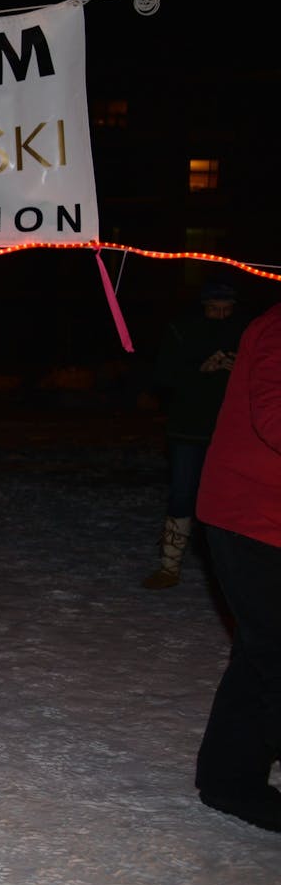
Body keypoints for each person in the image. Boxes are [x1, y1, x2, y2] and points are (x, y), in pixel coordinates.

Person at [191, 297, 281, 833]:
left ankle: (229, 780)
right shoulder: (277, 329)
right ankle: (230, 781)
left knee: (261, 653)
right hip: (250, 519)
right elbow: (274, 416)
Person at [141, 281, 248, 589]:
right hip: (187, 429)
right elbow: (164, 376)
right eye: (215, 309)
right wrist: (200, 369)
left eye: (227, 309)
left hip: (229, 431)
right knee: (183, 494)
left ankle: (230, 570)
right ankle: (169, 566)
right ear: (203, 306)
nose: (221, 315)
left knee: (229, 500)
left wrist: (238, 368)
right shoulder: (182, 329)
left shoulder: (243, 331)